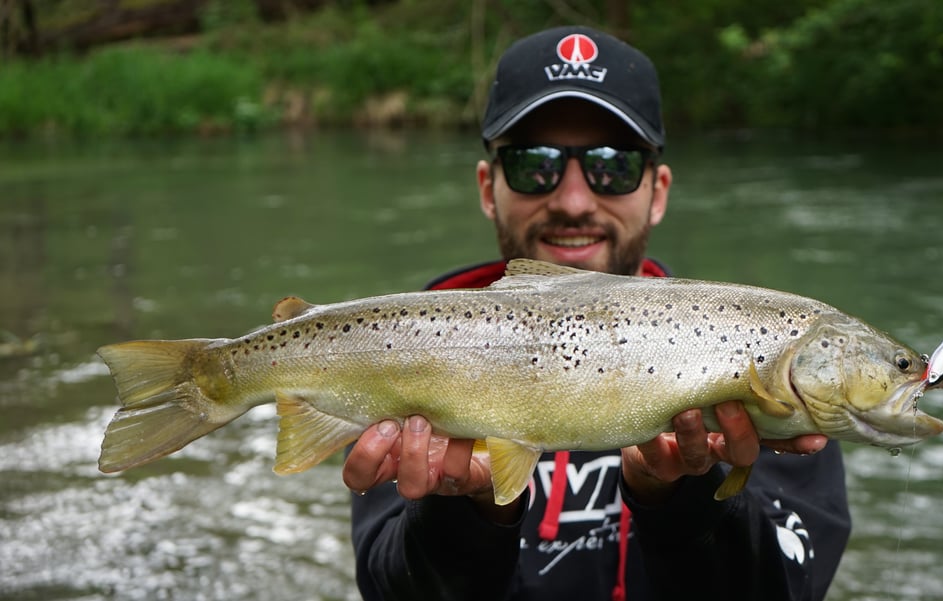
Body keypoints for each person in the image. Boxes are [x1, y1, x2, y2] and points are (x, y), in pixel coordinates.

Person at [343, 26, 851, 600]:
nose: (574, 200)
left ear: (658, 192)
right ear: (488, 188)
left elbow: (789, 589)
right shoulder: (403, 348)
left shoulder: (753, 348)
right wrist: (465, 509)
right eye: (535, 165)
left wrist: (683, 496)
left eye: (613, 167)